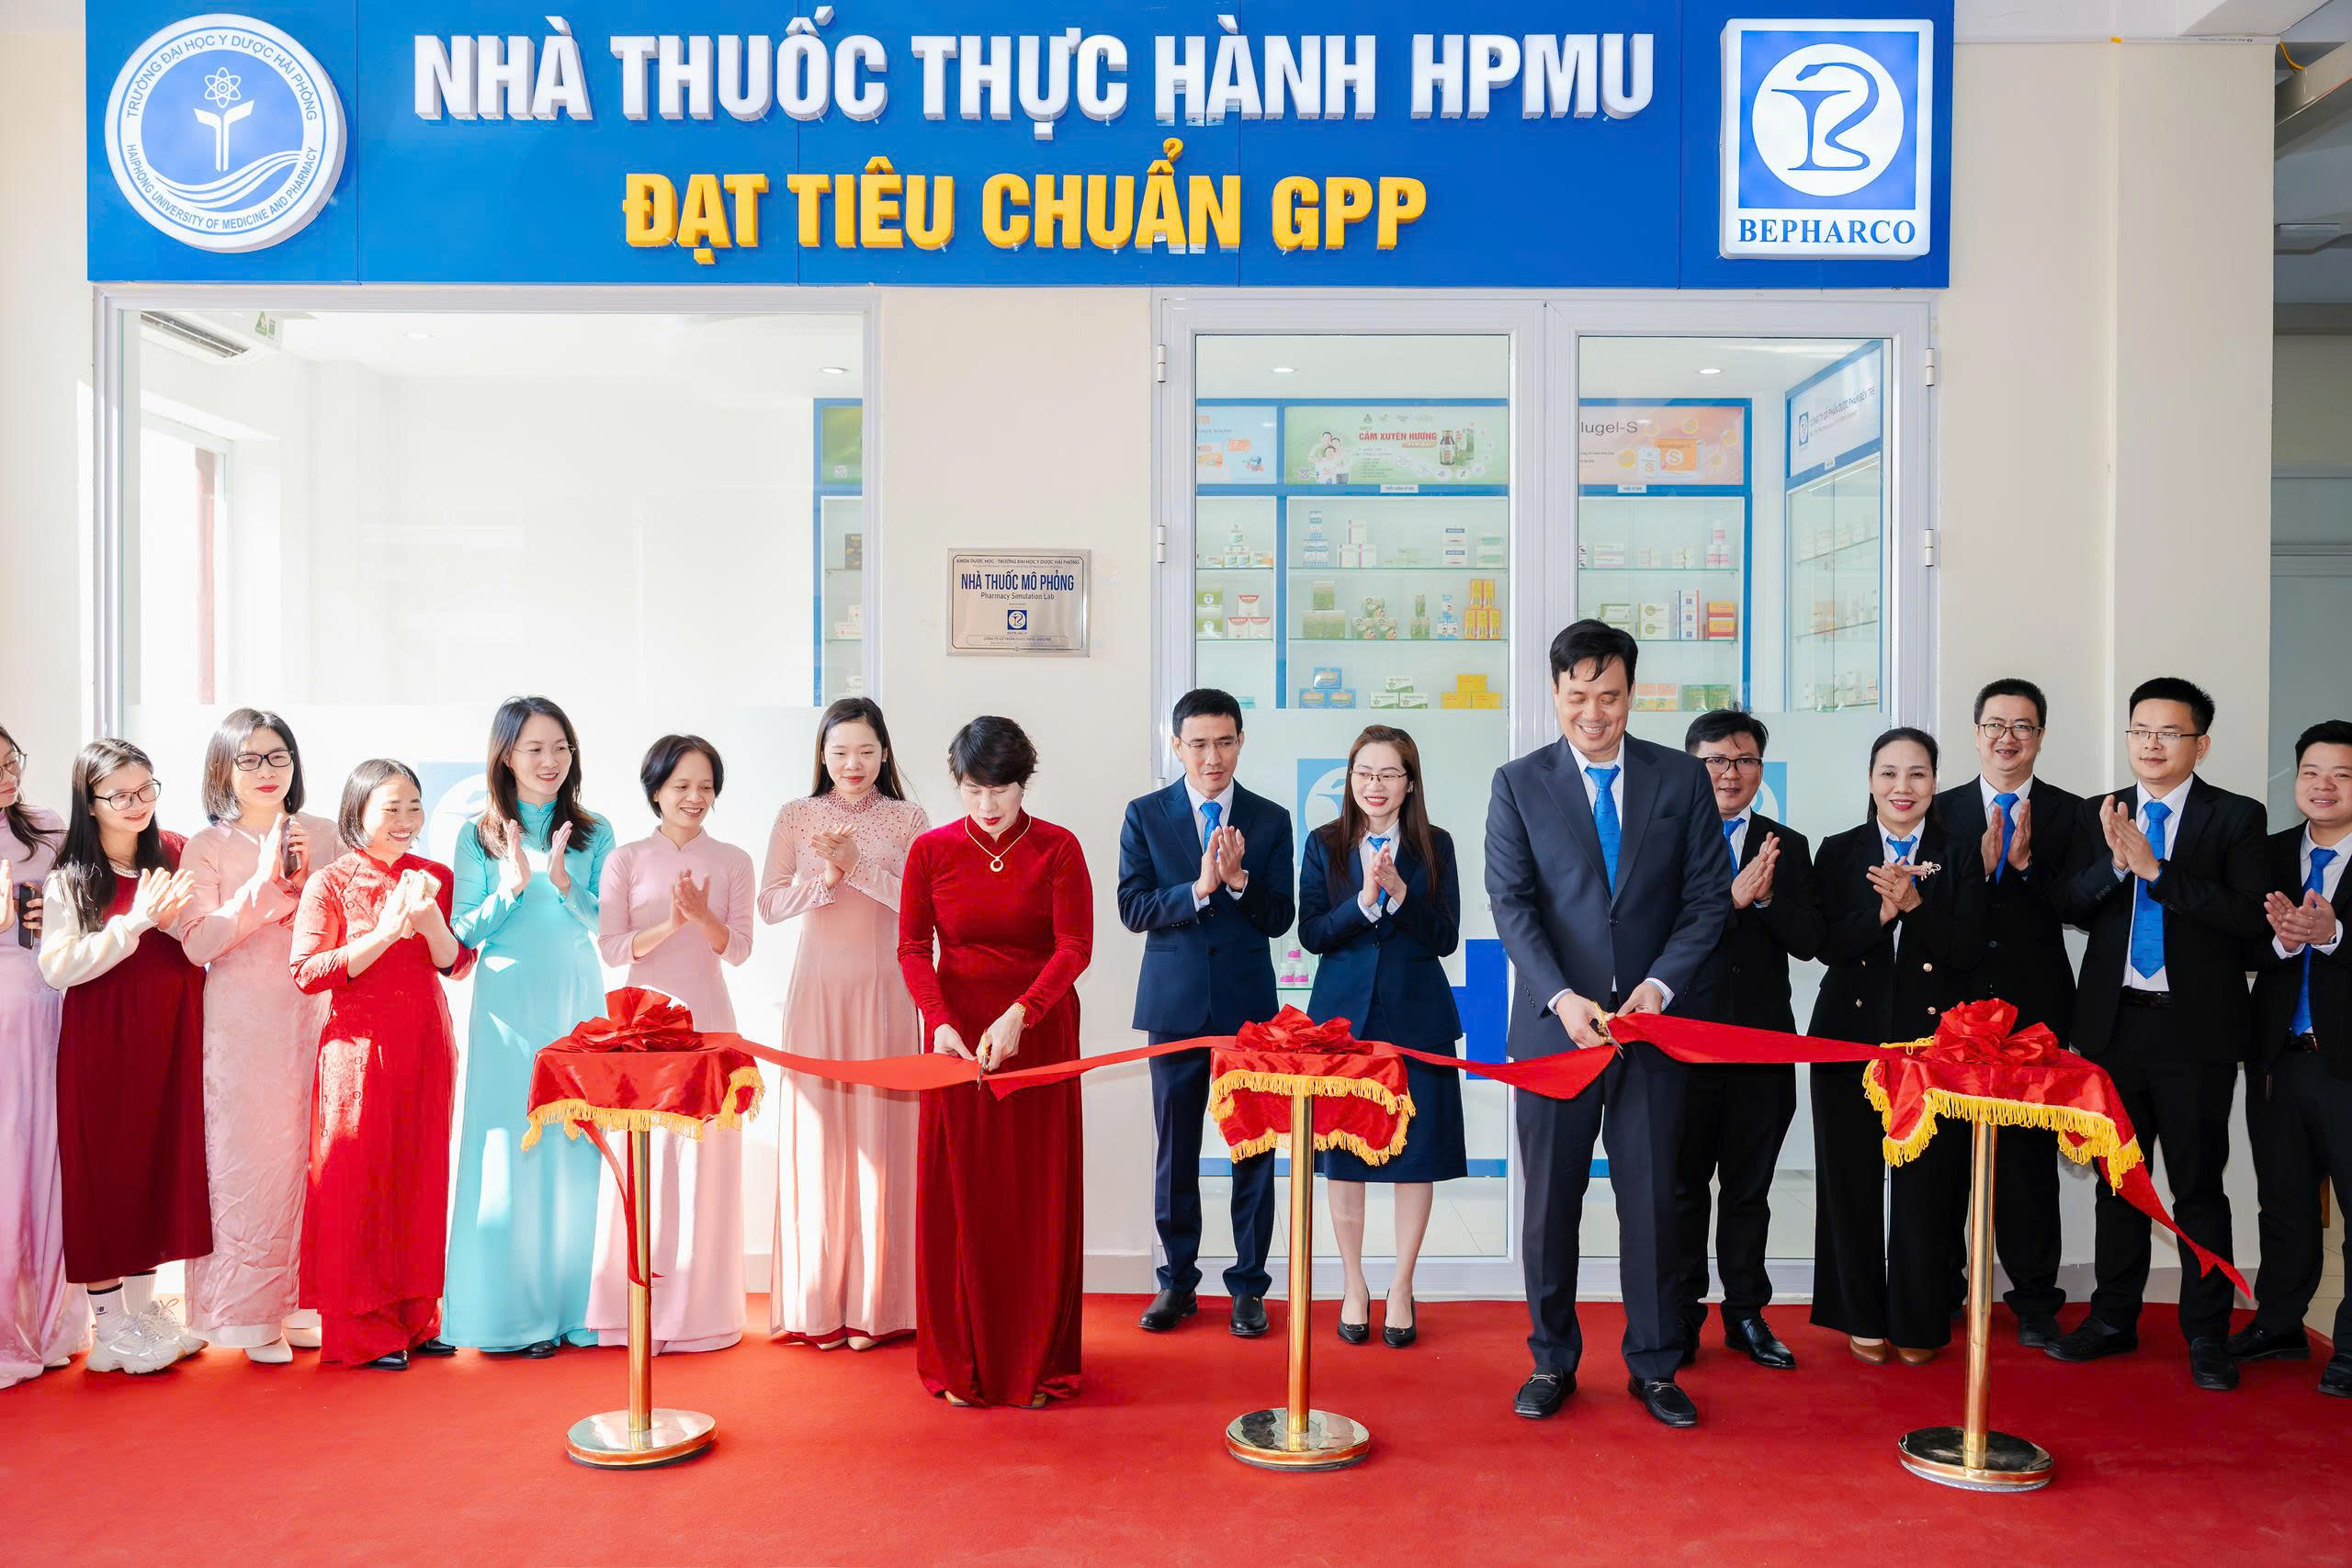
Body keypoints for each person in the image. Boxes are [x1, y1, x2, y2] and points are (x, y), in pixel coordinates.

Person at [1485, 620, 1731, 1429]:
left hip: (1651, 1031)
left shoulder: (1680, 779)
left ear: (1633, 693)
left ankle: (1655, 1364)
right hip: (1557, 1033)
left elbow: (1706, 900)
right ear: (1556, 693)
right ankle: (1551, 1359)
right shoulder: (1518, 783)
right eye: (1579, 695)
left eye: (1611, 695)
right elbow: (1513, 906)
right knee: (1551, 1205)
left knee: (1654, 1202)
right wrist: (1562, 998)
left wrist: (1659, 986)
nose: (1594, 712)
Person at [2043, 678, 2267, 1393]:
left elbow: (2247, 918)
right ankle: (2113, 1318)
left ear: (2201, 743)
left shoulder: (2237, 816)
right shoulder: (2101, 810)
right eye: (2140, 730)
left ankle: (2207, 1332)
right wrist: (2115, 864)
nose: (2151, 744)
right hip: (2114, 1027)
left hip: (2196, 1030)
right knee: (2119, 1182)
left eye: (2169, 732)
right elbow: (2068, 903)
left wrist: (2157, 871)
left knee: (2197, 1184)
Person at [898, 716, 1092, 1407]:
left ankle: (1035, 1362)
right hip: (955, 1040)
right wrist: (939, 1022)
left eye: (1001, 791)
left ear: (1022, 784)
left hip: (1039, 1032)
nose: (987, 805)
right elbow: (912, 949)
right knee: (961, 1193)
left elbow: (1074, 947)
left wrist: (1022, 1014)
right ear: (958, 784)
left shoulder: (1058, 848)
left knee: (1035, 1192)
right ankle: (962, 1361)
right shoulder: (931, 851)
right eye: (973, 790)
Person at [1117, 688, 1295, 1339]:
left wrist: (1241, 881)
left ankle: (1249, 1286)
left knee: (1254, 1149)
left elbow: (1281, 917)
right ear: (1177, 746)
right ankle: (1177, 1282)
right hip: (1174, 1007)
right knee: (1177, 1151)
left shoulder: (1271, 819)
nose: (1212, 756)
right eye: (1198, 744)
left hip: (1249, 1012)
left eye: (1224, 742)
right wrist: (1198, 888)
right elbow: (1132, 907)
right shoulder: (1145, 814)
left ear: (1241, 741)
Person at [1807, 727, 1983, 1367]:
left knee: (1927, 1187)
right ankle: (1859, 1314)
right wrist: (1882, 914)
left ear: (1935, 781)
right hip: (1847, 1041)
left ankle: (1919, 1318)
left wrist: (1915, 905)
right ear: (1870, 780)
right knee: (1849, 1181)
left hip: (1932, 1047)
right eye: (1889, 773)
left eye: (1917, 773)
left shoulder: (1959, 852)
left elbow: (1968, 949)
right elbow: (1823, 944)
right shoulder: (1839, 850)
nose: (1902, 787)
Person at [444, 697, 613, 1358]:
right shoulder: (477, 834)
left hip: (576, 997)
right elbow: (462, 931)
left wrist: (564, 882)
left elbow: (607, 925)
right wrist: (514, 884)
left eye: (560, 747)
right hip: (506, 1003)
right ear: (506, 755)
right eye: (534, 748)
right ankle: (512, 1315)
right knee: (510, 1145)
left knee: (575, 1143)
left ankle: (576, 1308)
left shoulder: (595, 830)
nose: (550, 761)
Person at [291, 759, 474, 1369]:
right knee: (358, 1183)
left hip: (426, 1038)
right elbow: (306, 971)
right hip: (357, 1052)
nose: (406, 819)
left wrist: (430, 925)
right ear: (358, 810)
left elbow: (458, 962)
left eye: (413, 806)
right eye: (390, 807)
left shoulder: (435, 876)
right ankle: (363, 1330)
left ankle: (418, 1318)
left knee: (420, 1175)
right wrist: (388, 932)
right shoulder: (329, 881)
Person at [760, 697, 929, 1349]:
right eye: (839, 752)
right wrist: (828, 877)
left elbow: (920, 906)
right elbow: (770, 904)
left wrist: (859, 864)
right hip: (819, 991)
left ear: (884, 753)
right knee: (820, 1137)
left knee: (883, 1140)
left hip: (886, 989)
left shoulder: (908, 817)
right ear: (822, 756)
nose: (852, 763)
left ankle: (879, 1305)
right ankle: (820, 1305)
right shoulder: (795, 814)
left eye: (864, 750)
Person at [38, 739, 207, 1375]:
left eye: (146, 790)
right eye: (120, 795)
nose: (137, 805)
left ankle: (141, 1313)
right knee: (106, 1173)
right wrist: (134, 922)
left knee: (158, 1166)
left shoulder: (174, 856)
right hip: (105, 1044)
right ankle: (109, 1327)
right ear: (90, 802)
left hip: (171, 1037)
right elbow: (57, 967)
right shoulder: (73, 878)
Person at [175, 709, 334, 1363]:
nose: (267, 771)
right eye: (250, 759)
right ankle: (246, 1314)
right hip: (242, 1018)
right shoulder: (206, 846)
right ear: (224, 767)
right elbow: (197, 943)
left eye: (278, 757)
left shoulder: (325, 833)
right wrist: (264, 887)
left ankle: (305, 1298)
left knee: (314, 1154)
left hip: (315, 1010)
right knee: (249, 1158)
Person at [1931, 678, 2084, 1348]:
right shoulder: (1937, 811)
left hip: (2033, 1014)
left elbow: (2082, 907)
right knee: (1945, 1160)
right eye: (1995, 724)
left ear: (2041, 736)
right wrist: (1976, 869)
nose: (2007, 738)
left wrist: (2022, 870)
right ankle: (1942, 1290)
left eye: (2023, 726)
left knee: (2026, 1166)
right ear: (1975, 733)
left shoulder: (2073, 814)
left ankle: (2035, 1301)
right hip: (1951, 1010)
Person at [1299, 724, 1463, 1349]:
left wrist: (1399, 894)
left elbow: (1444, 936)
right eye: (1364, 773)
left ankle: (1401, 1285)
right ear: (1350, 779)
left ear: (1409, 783)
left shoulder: (1436, 845)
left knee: (1415, 1156)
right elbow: (1313, 932)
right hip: (1342, 1023)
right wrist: (1365, 900)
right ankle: (1353, 1283)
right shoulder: (1324, 844)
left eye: (1389, 774)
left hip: (1417, 1019)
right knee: (1344, 1156)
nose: (1375, 785)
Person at [593, 735, 755, 1353]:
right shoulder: (626, 859)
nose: (695, 797)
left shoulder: (734, 860)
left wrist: (704, 919)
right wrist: (670, 922)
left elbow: (739, 949)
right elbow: (614, 948)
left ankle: (701, 1316)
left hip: (710, 1023)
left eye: (705, 786)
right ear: (656, 790)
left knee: (705, 1163)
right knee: (644, 1160)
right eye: (681, 785)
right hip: (642, 1027)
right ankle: (631, 1313)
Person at [1672, 709, 1822, 1372]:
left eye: (1744, 760)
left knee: (1748, 1189)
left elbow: (1810, 940)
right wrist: (1728, 900)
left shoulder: (1787, 845)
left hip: (1762, 1046)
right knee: (1682, 1188)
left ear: (1762, 769)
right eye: (1715, 760)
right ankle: (1680, 1313)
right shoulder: (1665, 839)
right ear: (1691, 767)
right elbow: (1654, 937)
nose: (1730, 773)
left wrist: (1763, 900)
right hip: (1684, 1043)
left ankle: (1745, 1313)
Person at [2231, 719, 2351, 1397]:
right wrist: (2281, 943)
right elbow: (2236, 943)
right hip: (2279, 1058)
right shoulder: (2270, 854)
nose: (2323, 785)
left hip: (2347, 1066)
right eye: (2311, 772)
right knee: (2284, 1204)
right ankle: (2279, 1324)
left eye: (2341, 774)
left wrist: (2334, 936)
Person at [0, 726, 85, 1387]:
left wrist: (54, 920)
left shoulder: (49, 827)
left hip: (47, 1003)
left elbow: (79, 912)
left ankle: (50, 1322)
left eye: (12, 763)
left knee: (46, 1157)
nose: (9, 777)